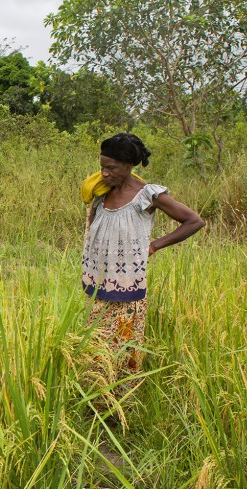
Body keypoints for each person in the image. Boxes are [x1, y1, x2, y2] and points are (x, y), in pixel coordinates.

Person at [81, 133, 204, 394]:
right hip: (98, 290)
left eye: (111, 167)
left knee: (123, 353)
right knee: (95, 349)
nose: (104, 173)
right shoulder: (101, 194)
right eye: (102, 166)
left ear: (128, 166)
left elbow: (194, 221)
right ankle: (95, 402)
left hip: (127, 294)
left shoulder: (147, 195)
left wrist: (154, 246)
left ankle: (120, 408)